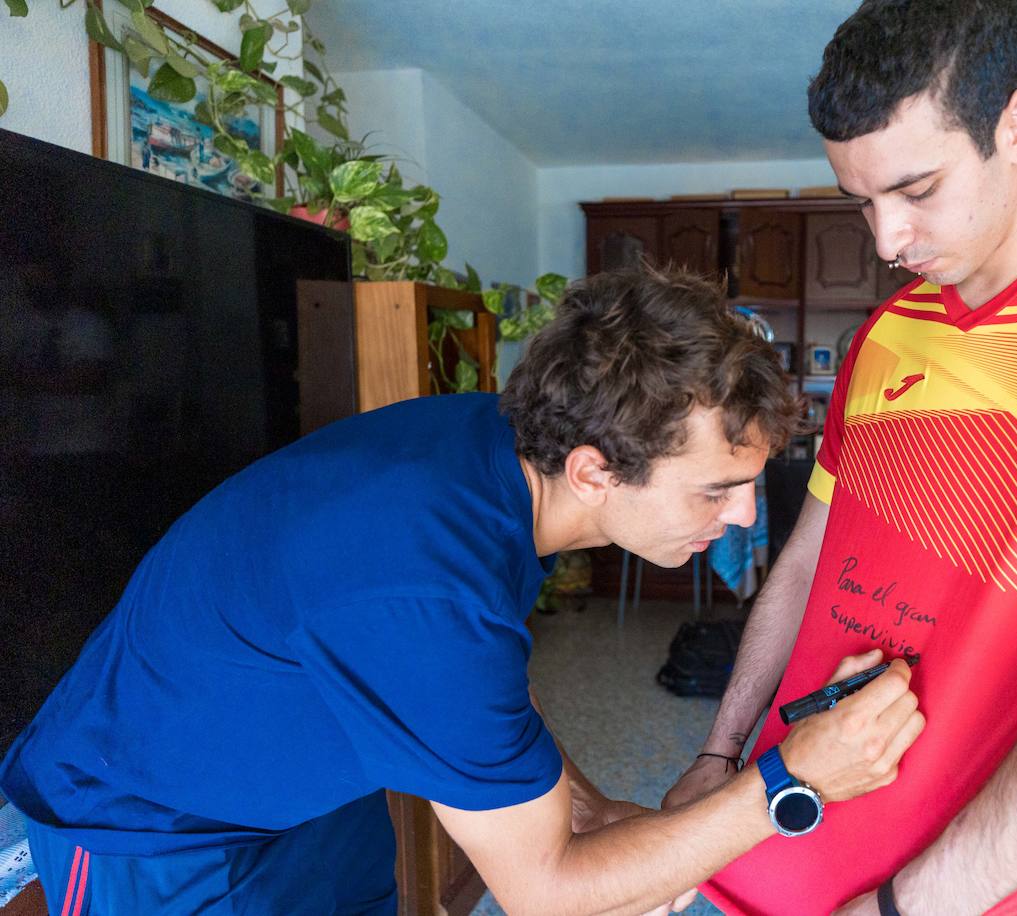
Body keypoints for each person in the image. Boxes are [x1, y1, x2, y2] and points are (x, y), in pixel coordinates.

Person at [0, 267, 924, 915]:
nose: (738, 518)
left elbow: (483, 702)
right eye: (715, 490)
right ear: (598, 471)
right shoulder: (422, 585)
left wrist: (598, 811)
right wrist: (786, 782)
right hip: (150, 824)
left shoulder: (497, 454)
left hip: (309, 789)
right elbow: (547, 896)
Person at [663, 2, 1017, 913]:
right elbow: (808, 563)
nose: (887, 241)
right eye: (863, 201)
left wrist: (904, 907)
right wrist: (721, 753)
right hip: (786, 830)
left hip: (968, 888)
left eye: (917, 189)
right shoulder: (885, 335)